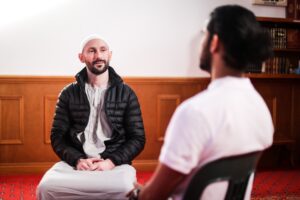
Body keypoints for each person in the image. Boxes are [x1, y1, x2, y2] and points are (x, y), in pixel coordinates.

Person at [128, 5, 274, 200]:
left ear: (214, 42)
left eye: (204, 35)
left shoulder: (194, 112)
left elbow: (152, 196)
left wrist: (139, 192)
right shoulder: (260, 107)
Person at [37, 35, 146, 200]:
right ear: (81, 57)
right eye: (91, 51)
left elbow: (137, 138)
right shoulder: (68, 93)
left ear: (110, 55)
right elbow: (57, 136)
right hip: (77, 162)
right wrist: (78, 160)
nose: (98, 56)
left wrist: (110, 162)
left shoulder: (127, 93)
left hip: (114, 162)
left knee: (124, 189)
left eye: (103, 50)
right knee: (46, 187)